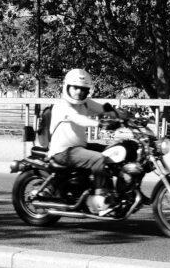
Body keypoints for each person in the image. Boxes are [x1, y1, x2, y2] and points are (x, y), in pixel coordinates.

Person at [47, 68, 117, 212]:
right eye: (75, 87)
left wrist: (121, 115)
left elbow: (102, 108)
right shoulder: (62, 106)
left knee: (113, 150)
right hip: (64, 152)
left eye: (83, 89)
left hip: (79, 147)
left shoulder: (84, 103)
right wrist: (100, 123)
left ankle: (113, 191)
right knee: (98, 159)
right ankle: (99, 200)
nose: (79, 92)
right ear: (67, 86)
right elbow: (79, 119)